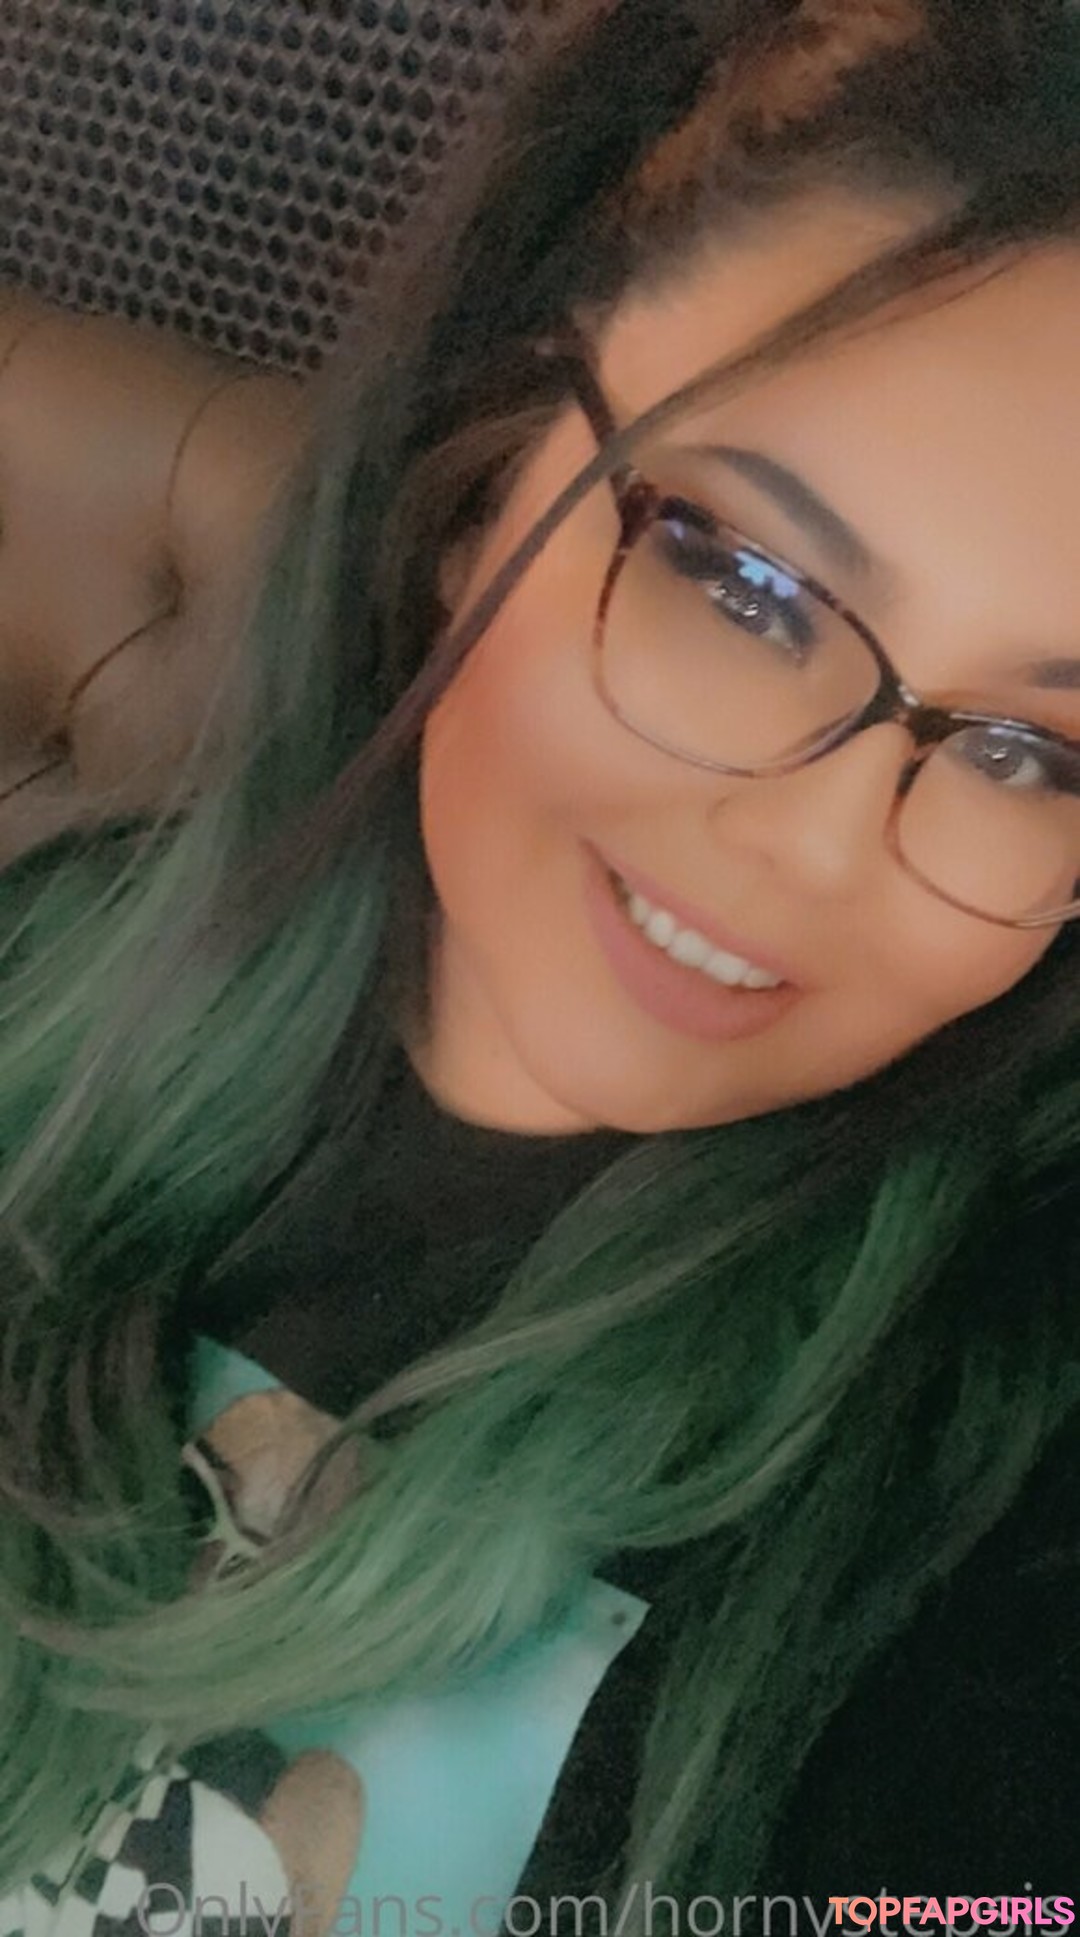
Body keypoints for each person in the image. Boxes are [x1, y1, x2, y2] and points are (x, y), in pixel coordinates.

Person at [1, 0, 1079, 1924]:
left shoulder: (978, 1469)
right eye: (744, 584)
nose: (816, 847)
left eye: (1035, 758)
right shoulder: (38, 959)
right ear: (476, 464)